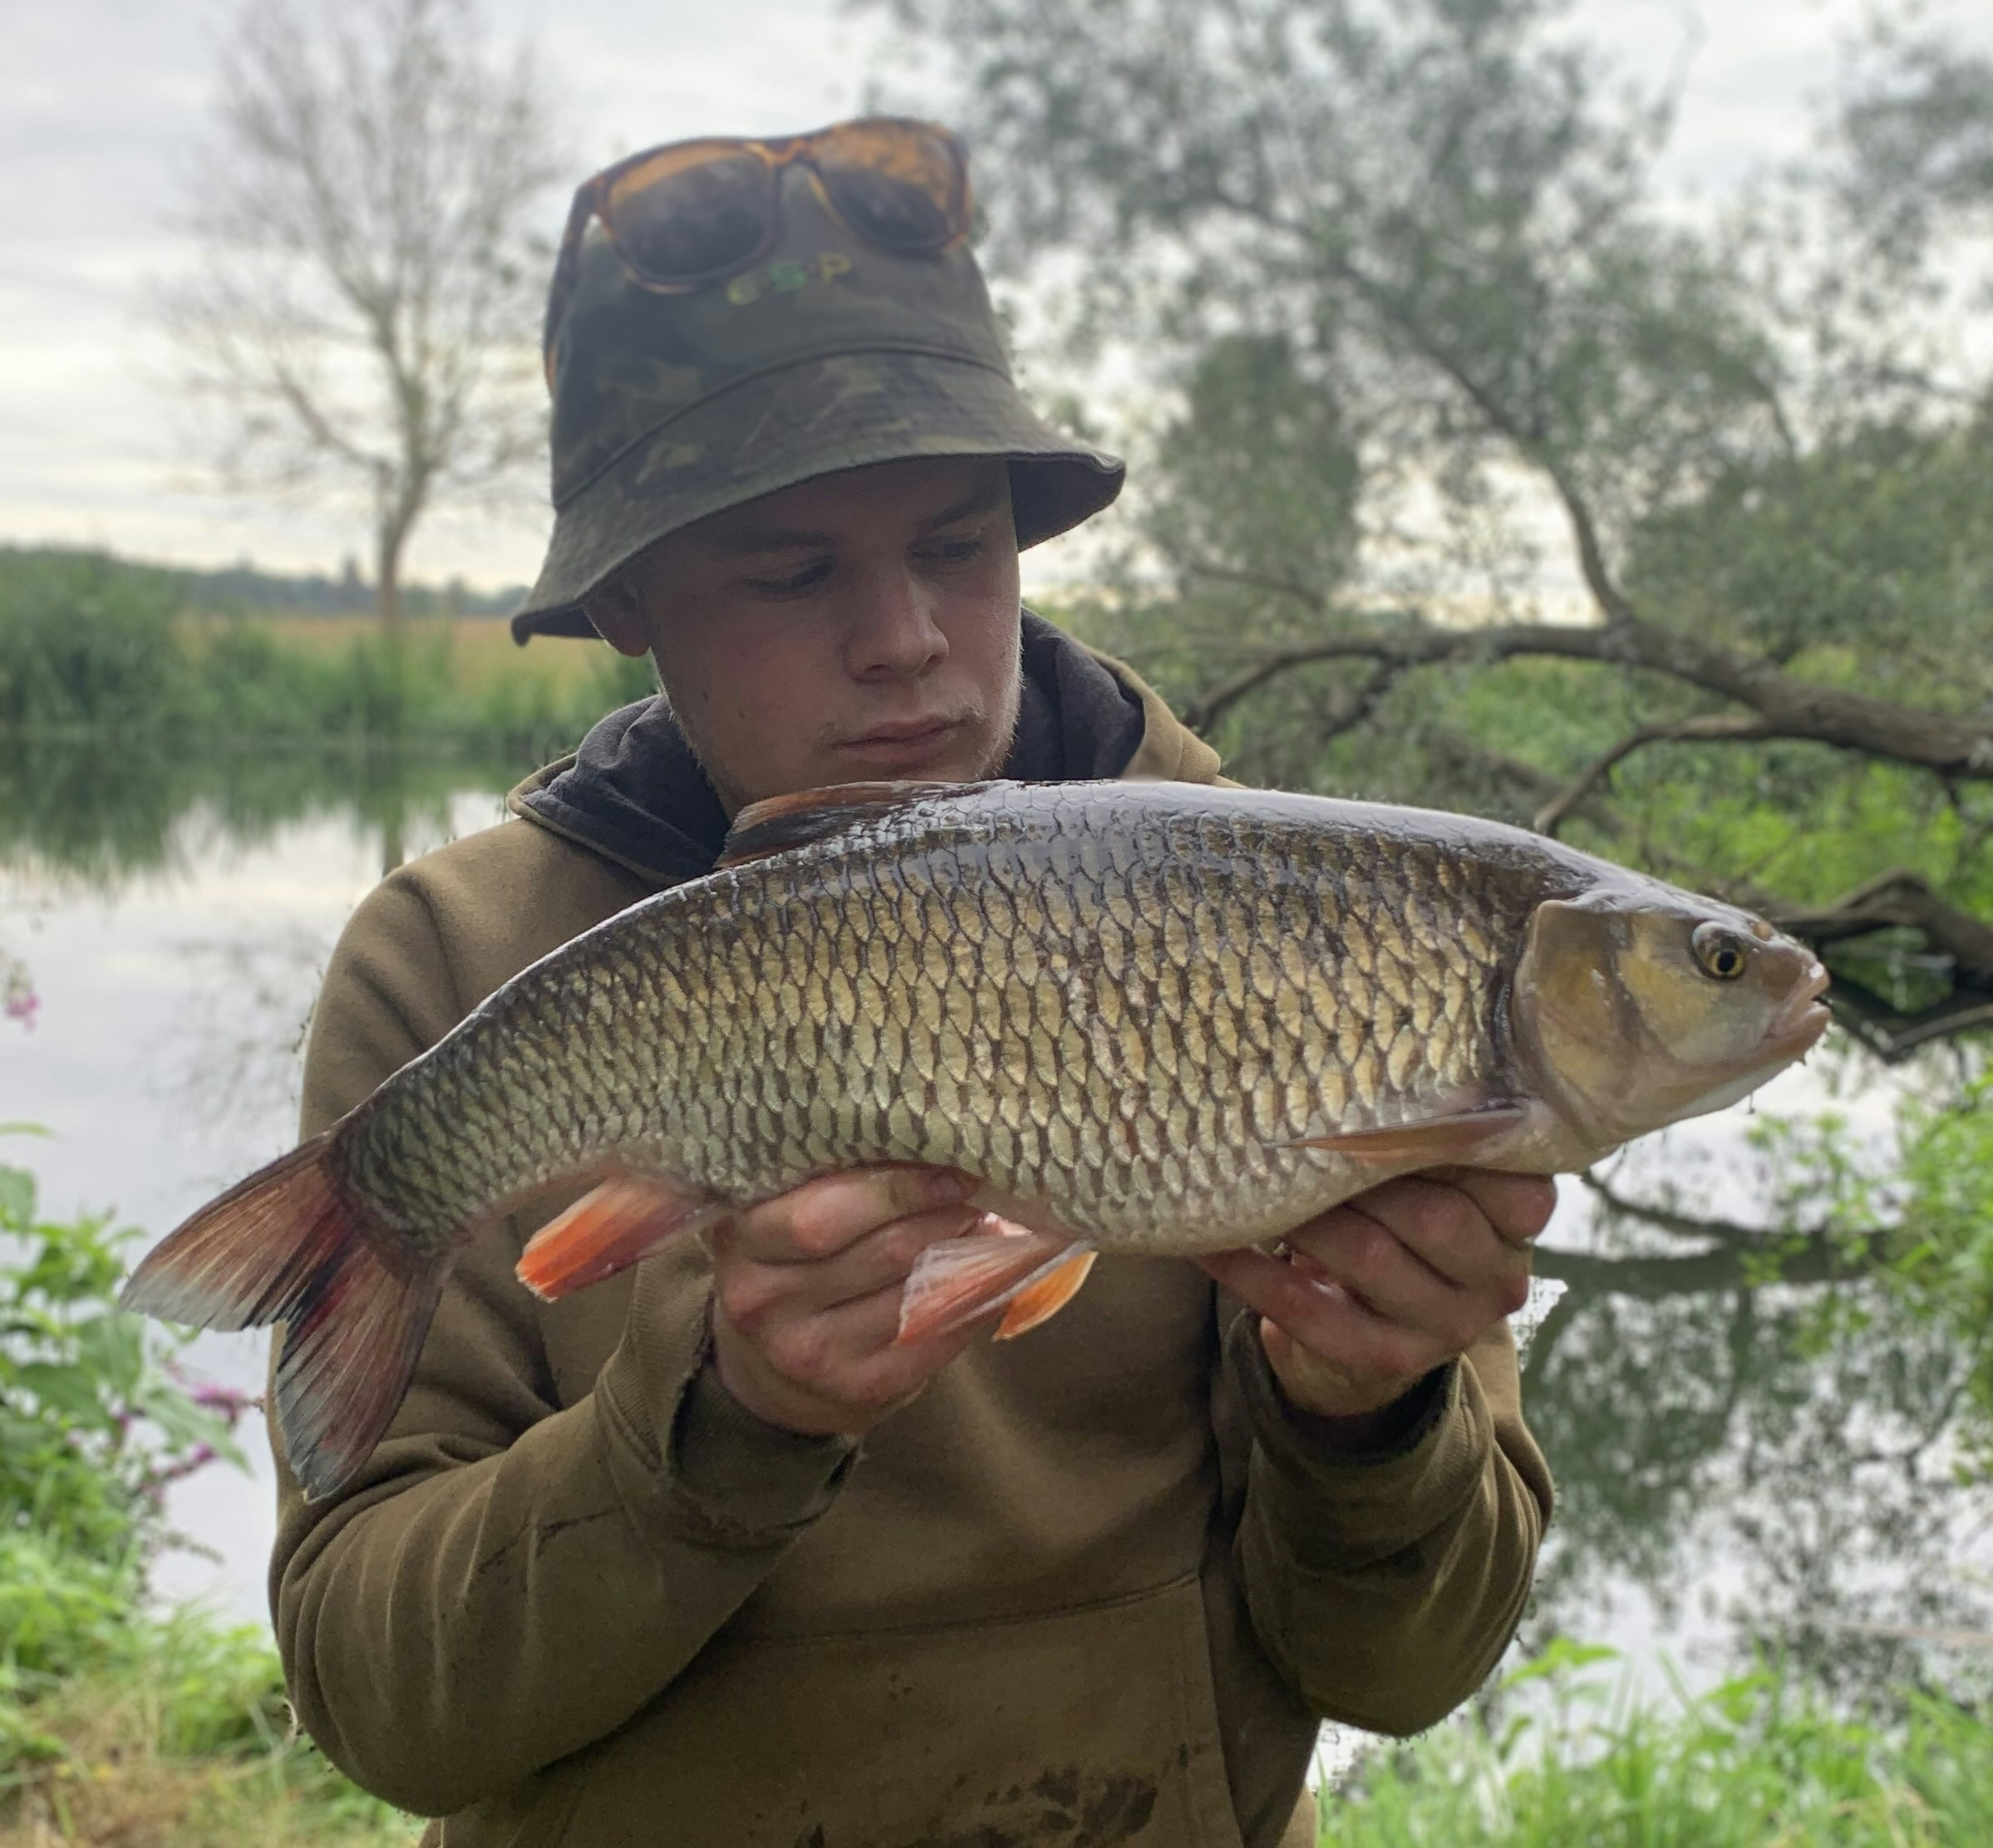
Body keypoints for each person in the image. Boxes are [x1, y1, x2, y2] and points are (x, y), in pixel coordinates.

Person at [270, 118, 1554, 1848]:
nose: (904, 638)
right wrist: (718, 1419)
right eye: (792, 572)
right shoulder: (455, 964)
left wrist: (1369, 1402)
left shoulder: (1310, 926)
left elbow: (1403, 1669)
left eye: (957, 546)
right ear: (635, 598)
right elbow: (379, 1704)